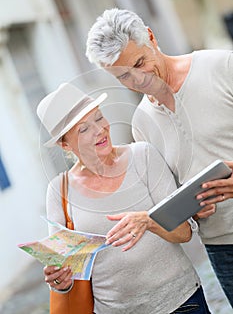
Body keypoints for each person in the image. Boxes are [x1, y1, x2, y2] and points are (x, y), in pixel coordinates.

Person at [85, 8, 233, 307]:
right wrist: (190, 208)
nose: (137, 79)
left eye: (139, 63)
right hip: (222, 248)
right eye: (123, 75)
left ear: (151, 37)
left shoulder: (222, 66)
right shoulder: (141, 123)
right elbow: (170, 198)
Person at [36, 82, 211, 314]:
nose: (99, 130)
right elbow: (65, 268)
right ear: (64, 143)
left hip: (182, 301)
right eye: (83, 129)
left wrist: (149, 221)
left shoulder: (144, 156)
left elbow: (185, 233)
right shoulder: (59, 190)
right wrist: (60, 281)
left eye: (99, 118)